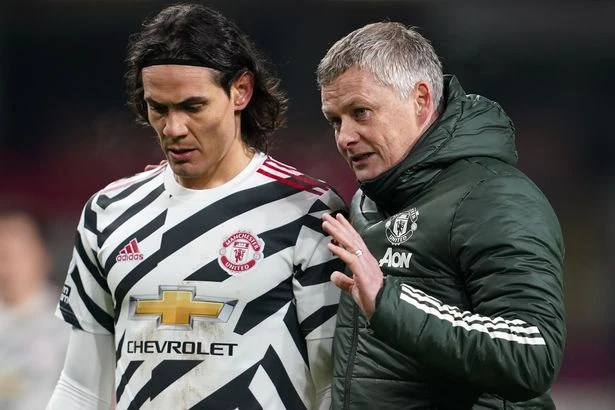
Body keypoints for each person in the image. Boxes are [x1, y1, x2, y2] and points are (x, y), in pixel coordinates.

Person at [46, 4, 346, 409]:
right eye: (159, 108)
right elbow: (81, 388)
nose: (173, 129)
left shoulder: (307, 211)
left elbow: (333, 387)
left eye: (192, 107)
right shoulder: (108, 213)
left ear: (241, 90)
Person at [317, 22, 566, 409]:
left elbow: (533, 354)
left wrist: (389, 301)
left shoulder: (493, 197)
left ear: (420, 100)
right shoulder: (367, 202)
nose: (344, 137)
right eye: (336, 121)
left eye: (360, 112)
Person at [0, 203, 70, 410]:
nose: (8, 267)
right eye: (2, 255)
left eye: (16, 254)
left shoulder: (73, 322)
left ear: (44, 256)